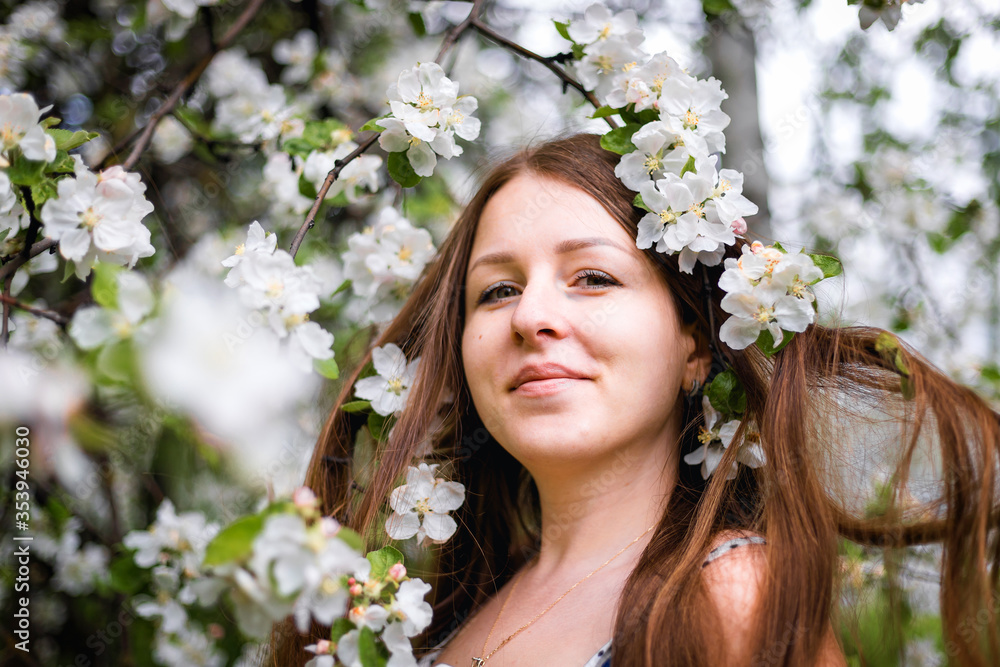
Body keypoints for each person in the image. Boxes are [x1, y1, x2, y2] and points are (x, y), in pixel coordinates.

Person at [268, 133, 1000, 666]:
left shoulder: (725, 595)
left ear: (695, 346)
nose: (530, 317)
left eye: (593, 277)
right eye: (497, 290)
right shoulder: (427, 614)